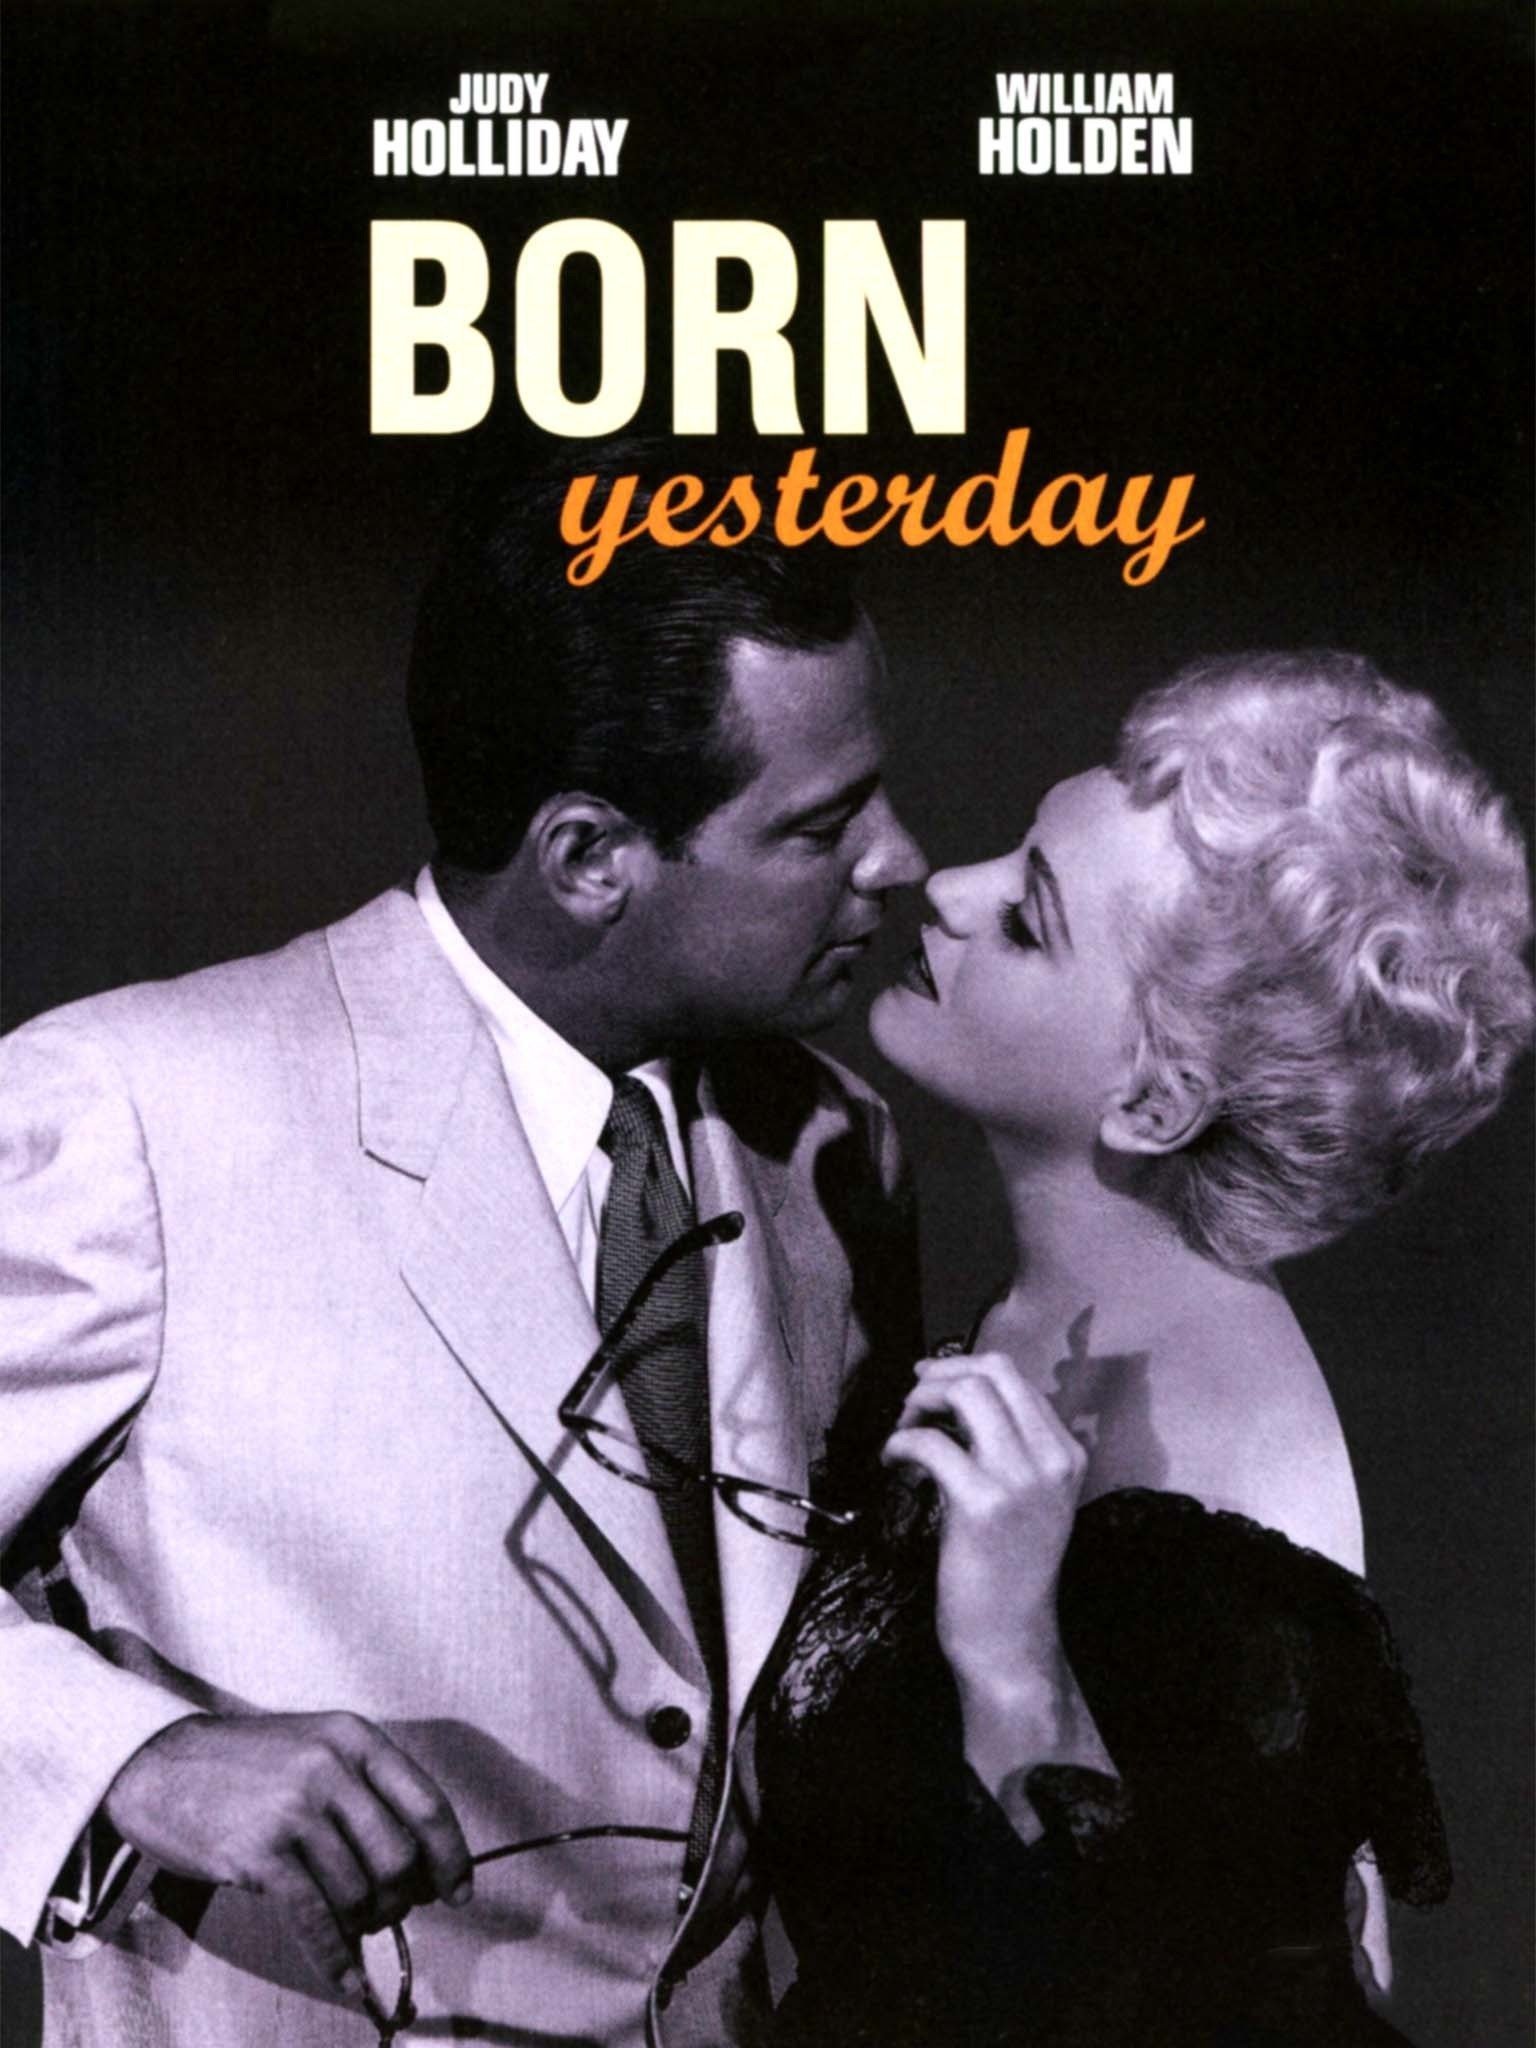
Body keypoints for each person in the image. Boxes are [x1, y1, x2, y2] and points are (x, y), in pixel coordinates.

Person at [0, 454, 928, 2046]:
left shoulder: (837, 1148)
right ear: (588, 859)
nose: (900, 860)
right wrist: (131, 1762)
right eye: (823, 824)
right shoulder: (129, 1111)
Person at [755, 651, 1535, 2046]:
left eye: (1030, 918)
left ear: (1159, 1100)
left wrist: (1013, 1668)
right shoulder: (1030, 1310)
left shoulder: (1219, 1472)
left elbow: (1239, 2007)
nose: (947, 889)